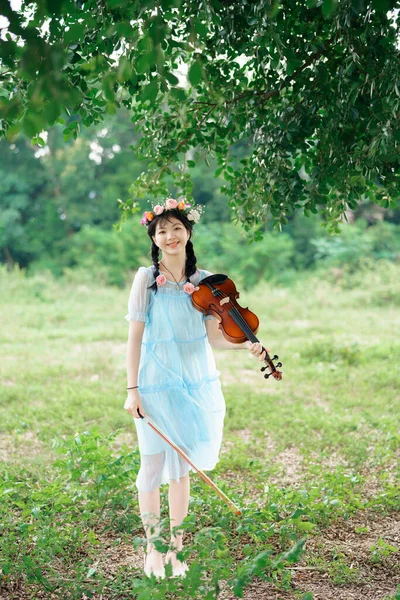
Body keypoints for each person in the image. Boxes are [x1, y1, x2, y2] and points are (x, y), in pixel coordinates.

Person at [124, 198, 268, 579]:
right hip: (155, 383)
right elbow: (134, 338)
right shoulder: (146, 280)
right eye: (161, 231)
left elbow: (213, 338)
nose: (169, 236)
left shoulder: (205, 283)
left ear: (188, 233)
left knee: (181, 469)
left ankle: (177, 548)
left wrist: (246, 344)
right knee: (153, 463)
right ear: (154, 239)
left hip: (193, 379)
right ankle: (153, 552)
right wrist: (131, 390)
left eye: (176, 229)